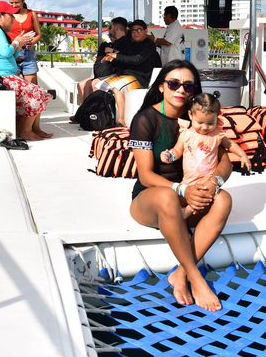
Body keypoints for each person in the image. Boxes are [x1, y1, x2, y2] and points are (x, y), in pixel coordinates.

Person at [129, 60, 232, 312]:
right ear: (162, 86)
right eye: (173, 83)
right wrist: (182, 190)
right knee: (167, 197)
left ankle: (180, 274)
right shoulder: (145, 119)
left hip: (189, 198)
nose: (180, 90)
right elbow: (145, 176)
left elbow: (226, 164)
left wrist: (212, 182)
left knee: (224, 199)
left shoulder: (202, 118)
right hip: (152, 199)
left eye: (188, 85)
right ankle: (196, 278)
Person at [160, 91, 251, 219]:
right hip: (189, 179)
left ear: (217, 119)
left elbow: (230, 144)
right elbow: (178, 150)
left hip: (208, 178)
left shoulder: (216, 135)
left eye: (210, 123)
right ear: (190, 115)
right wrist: (170, 156)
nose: (204, 127)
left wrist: (243, 155)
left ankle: (189, 210)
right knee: (182, 195)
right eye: (200, 122)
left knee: (204, 192)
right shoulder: (186, 134)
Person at [0, 1, 52, 141]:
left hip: (8, 76)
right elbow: (6, 51)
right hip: (3, 77)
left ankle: (31, 129)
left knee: (38, 92)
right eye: (10, 15)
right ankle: (25, 131)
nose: (13, 18)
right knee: (38, 93)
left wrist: (19, 46)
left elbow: (10, 54)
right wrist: (17, 42)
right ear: (0, 16)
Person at [96, 19, 161, 126]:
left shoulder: (150, 45)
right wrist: (112, 56)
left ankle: (121, 121)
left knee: (118, 87)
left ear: (146, 31)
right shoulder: (131, 44)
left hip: (140, 78)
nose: (135, 33)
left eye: (139, 30)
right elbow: (123, 56)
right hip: (125, 75)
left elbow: (137, 59)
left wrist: (116, 56)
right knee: (96, 85)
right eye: (133, 31)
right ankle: (101, 117)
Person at [76, 17, 130, 105]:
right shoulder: (114, 44)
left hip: (117, 74)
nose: (110, 36)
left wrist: (113, 53)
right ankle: (84, 112)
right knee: (82, 85)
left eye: (111, 29)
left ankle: (95, 114)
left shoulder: (126, 43)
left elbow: (125, 57)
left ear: (116, 28)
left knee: (95, 83)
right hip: (106, 72)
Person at [7, 0, 41, 85]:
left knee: (32, 89)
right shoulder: (7, 15)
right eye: (11, 3)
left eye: (17, 2)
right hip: (12, 54)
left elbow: (38, 34)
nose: (14, 6)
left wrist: (33, 42)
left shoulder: (31, 14)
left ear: (23, 0)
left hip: (28, 54)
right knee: (14, 89)